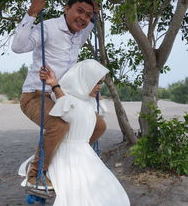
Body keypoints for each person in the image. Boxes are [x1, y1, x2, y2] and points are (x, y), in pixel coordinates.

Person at [12, 0, 106, 190]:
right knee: (58, 127)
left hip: (64, 95)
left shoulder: (81, 32)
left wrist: (94, 13)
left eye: (88, 15)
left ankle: (65, 159)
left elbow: (89, 23)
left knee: (97, 126)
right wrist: (31, 13)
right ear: (66, 8)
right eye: (79, 11)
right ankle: (36, 174)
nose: (83, 18)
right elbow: (18, 47)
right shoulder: (48, 28)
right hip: (35, 95)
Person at [32, 59, 130, 206]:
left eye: (101, 83)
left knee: (103, 187)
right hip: (67, 155)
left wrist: (96, 94)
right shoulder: (68, 99)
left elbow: (101, 112)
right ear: (85, 80)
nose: (99, 87)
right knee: (78, 191)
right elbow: (65, 105)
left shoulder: (88, 103)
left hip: (85, 152)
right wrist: (54, 84)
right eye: (96, 82)